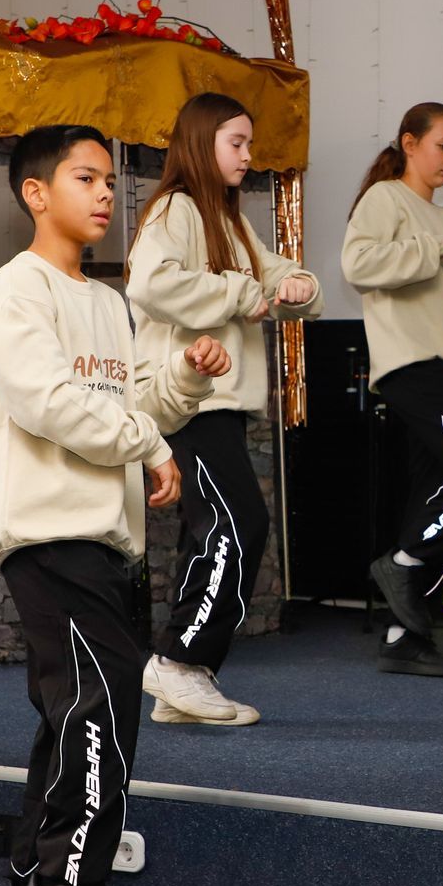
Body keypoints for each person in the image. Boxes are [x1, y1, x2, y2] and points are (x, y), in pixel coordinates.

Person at [0, 124, 229, 886]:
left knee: (73, 705)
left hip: (104, 534)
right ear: (36, 192)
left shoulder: (107, 303)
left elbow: (133, 404)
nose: (107, 193)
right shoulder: (17, 291)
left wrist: (182, 379)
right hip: (48, 530)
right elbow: (47, 402)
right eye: (86, 178)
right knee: (102, 700)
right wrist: (148, 444)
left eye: (111, 180)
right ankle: (68, 882)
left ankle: (31, 876)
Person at [127, 93, 323, 727]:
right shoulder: (176, 208)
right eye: (235, 142)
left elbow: (279, 277)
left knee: (213, 529)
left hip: (217, 402)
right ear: (200, 142)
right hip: (186, 398)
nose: (247, 155)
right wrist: (244, 291)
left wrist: (297, 285)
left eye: (249, 143)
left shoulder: (230, 221)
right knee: (238, 523)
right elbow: (149, 284)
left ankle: (180, 682)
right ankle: (179, 662)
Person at [342, 102, 443, 677]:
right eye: (442, 145)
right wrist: (436, 248)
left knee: (432, 494)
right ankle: (402, 564)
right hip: (410, 367)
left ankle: (403, 636)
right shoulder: (385, 199)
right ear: (410, 144)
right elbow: (358, 265)